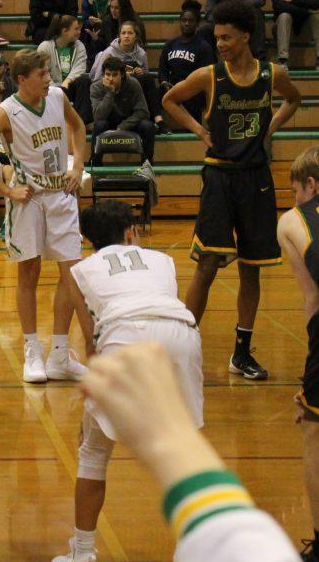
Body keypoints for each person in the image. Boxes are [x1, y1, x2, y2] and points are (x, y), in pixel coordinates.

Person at [51, 200, 204, 562]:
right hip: (182, 332)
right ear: (130, 232)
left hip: (123, 334)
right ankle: (195, 549)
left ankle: (83, 553)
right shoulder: (162, 260)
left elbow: (91, 341)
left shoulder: (79, 270)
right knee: (187, 454)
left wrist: (92, 412)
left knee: (93, 452)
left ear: (89, 240)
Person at [163, 0, 301, 380]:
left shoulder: (271, 74)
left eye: (226, 37)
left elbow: (294, 99)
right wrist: (199, 131)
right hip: (219, 177)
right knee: (206, 264)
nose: (220, 43)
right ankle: (182, 351)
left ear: (246, 36)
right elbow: (169, 100)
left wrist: (270, 127)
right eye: (217, 37)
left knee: (252, 269)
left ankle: (242, 353)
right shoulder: (209, 76)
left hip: (256, 177)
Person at [80, 343, 301, 562]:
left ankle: (80, 551)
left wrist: (170, 440)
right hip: (180, 336)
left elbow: (245, 547)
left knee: (93, 451)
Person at [0, 49, 87, 383]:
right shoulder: (6, 112)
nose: (49, 79)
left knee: (71, 275)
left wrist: (78, 165)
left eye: (48, 73)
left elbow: (78, 129)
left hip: (61, 193)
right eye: (42, 74)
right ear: (22, 79)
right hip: (28, 198)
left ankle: (60, 353)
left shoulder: (59, 98)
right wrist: (7, 191)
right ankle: (32, 349)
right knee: (28, 273)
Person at [276, 147, 319, 562]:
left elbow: (312, 299)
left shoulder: (292, 221)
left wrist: (308, 383)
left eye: (295, 189)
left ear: (311, 184)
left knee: (315, 430)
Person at [91, 21, 167, 132]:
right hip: (111, 89)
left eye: (130, 33)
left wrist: (140, 71)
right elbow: (98, 78)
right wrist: (120, 76)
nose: (126, 36)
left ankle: (157, 118)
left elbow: (146, 74)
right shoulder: (109, 53)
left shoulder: (141, 54)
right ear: (119, 36)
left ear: (136, 36)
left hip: (132, 89)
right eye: (123, 33)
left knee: (148, 78)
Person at [158, 0, 215, 124]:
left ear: (197, 24)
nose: (187, 23)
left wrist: (189, 87)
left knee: (193, 98)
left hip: (192, 90)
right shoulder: (170, 44)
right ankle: (159, 124)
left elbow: (207, 74)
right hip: (171, 88)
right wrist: (164, 83)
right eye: (184, 20)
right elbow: (162, 69)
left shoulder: (203, 47)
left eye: (190, 21)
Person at [90, 56, 155, 163]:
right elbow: (98, 116)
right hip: (108, 121)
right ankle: (95, 164)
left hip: (130, 121)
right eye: (107, 74)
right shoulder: (96, 87)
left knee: (148, 126)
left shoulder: (133, 84)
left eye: (115, 75)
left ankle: (147, 165)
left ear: (122, 75)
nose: (110, 79)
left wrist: (123, 126)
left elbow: (143, 111)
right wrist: (110, 93)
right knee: (99, 125)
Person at [38, 15, 92, 123]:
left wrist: (67, 81)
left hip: (70, 86)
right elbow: (43, 72)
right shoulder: (45, 47)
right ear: (65, 31)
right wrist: (56, 89)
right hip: (52, 87)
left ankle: (83, 122)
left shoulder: (79, 46)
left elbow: (80, 68)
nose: (79, 31)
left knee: (85, 80)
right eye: (76, 29)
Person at [200, 0, 268, 59]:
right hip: (223, 21)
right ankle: (210, 64)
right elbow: (209, 14)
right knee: (205, 28)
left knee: (256, 13)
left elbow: (260, 0)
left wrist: (236, 8)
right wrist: (226, 18)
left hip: (244, 20)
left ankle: (259, 59)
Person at [272, 0, 319, 69]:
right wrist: (306, 11)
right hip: (285, 30)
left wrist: (291, 0)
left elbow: (316, 2)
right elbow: (279, 6)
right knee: (284, 15)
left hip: (306, 29)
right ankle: (283, 60)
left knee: (316, 17)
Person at [80, 0, 112, 66]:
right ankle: (87, 57)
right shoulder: (87, 0)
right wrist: (91, 21)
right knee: (87, 25)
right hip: (93, 27)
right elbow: (85, 18)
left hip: (108, 28)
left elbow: (114, 19)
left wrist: (102, 22)